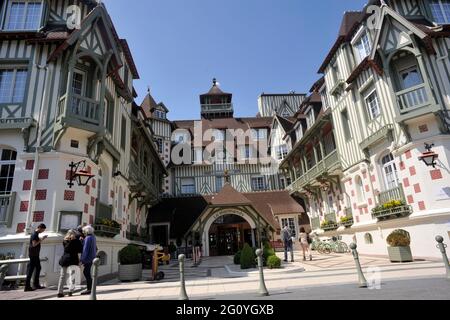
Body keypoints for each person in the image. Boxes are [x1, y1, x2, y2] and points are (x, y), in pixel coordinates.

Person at [57, 229, 83, 298]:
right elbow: (67, 249)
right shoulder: (66, 241)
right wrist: (73, 241)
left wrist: (77, 241)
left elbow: (80, 250)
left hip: (69, 260)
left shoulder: (75, 241)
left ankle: (67, 291)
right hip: (71, 260)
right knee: (66, 276)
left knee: (68, 276)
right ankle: (62, 292)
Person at [24, 224, 48, 292]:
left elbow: (34, 243)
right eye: (42, 230)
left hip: (35, 255)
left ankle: (36, 284)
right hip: (33, 255)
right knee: (30, 270)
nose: (42, 231)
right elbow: (34, 244)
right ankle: (27, 286)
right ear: (39, 228)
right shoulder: (35, 234)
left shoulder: (36, 234)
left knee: (38, 267)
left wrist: (40, 239)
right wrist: (42, 239)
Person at [80, 225, 97, 295]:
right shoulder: (93, 237)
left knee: (86, 272)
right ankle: (91, 288)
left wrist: (81, 260)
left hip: (88, 258)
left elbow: (85, 250)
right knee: (87, 272)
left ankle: (89, 289)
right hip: (92, 257)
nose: (83, 233)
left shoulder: (88, 238)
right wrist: (83, 241)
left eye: (84, 231)